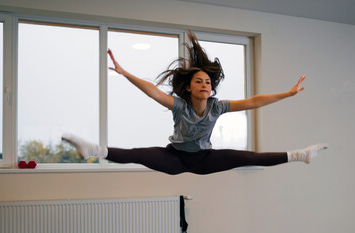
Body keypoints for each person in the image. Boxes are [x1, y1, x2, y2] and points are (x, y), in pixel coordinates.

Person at [62, 31, 327, 175]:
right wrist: (125, 73)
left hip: (204, 159)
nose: (205, 85)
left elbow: (253, 102)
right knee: (137, 154)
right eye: (199, 82)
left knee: (247, 157)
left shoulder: (217, 106)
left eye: (208, 83)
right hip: (174, 158)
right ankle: (93, 149)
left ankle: (299, 155)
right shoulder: (180, 106)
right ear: (189, 87)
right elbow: (152, 91)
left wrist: (286, 94)